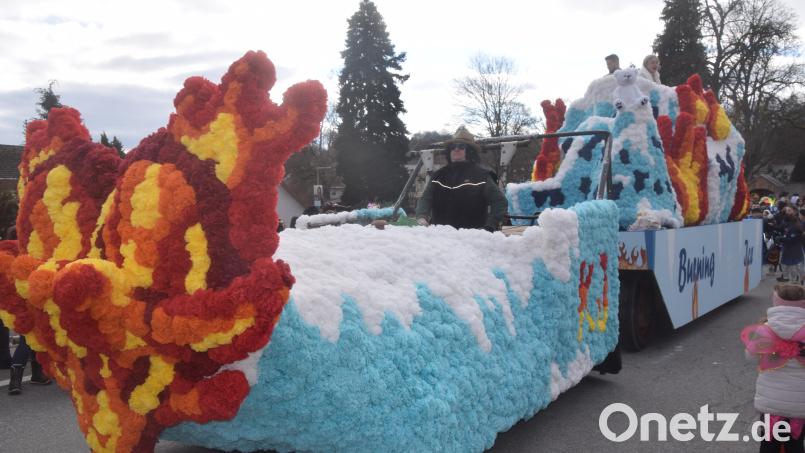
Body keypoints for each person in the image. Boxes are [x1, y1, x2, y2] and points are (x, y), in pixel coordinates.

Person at [741, 283, 805, 453]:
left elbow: (749, 356)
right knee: (796, 445)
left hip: (771, 403)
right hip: (801, 404)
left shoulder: (765, 329)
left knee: (769, 444)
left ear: (776, 303)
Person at [415, 126, 508, 231]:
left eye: (461, 146)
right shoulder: (438, 176)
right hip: (439, 238)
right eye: (452, 147)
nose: (456, 149)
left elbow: (500, 203)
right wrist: (422, 217)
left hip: (469, 239)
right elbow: (426, 199)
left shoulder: (482, 176)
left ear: (470, 151)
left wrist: (489, 226)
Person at [778, 207, 804, 283]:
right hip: (788, 249)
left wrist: (781, 238)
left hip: (795, 250)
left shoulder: (796, 226)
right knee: (785, 265)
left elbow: (792, 239)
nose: (790, 212)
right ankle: (790, 279)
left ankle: (797, 281)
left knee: (795, 267)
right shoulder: (786, 224)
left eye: (790, 210)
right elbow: (782, 231)